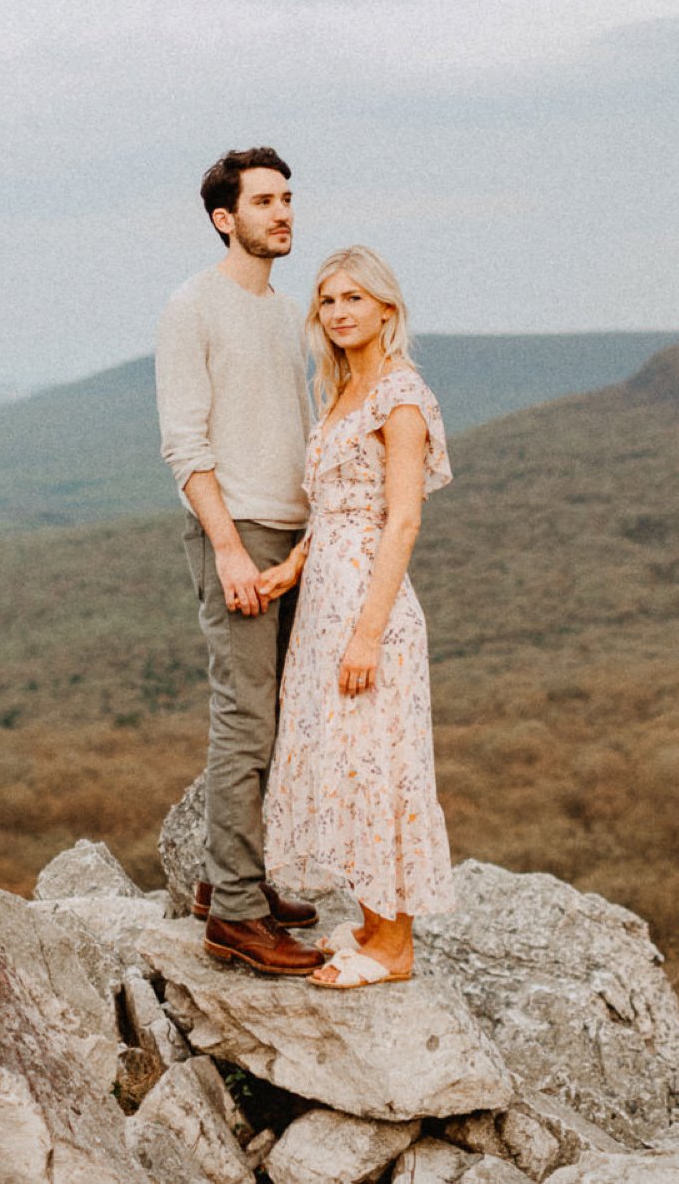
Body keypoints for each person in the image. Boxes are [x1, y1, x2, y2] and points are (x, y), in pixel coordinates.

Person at [261, 245, 457, 988]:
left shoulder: (400, 395)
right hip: (324, 606)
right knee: (345, 761)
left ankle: (394, 949)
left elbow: (401, 520)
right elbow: (338, 509)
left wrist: (367, 633)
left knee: (383, 767)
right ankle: (373, 923)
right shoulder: (341, 389)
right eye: (328, 301)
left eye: (353, 299)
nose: (340, 313)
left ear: (386, 309)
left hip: (370, 612)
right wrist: (294, 564)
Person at [156, 147, 328, 976]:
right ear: (226, 218)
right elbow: (184, 446)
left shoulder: (288, 313)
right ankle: (234, 915)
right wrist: (228, 550)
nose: (283, 212)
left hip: (293, 538)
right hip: (239, 534)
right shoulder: (194, 307)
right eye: (264, 201)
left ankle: (237, 882)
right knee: (246, 720)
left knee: (284, 722)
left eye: (287, 198)